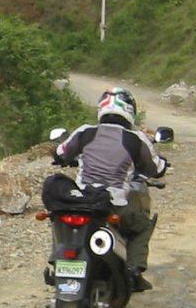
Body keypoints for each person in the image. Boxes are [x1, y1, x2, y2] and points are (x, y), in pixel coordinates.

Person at [53, 87, 169, 292]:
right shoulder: (136, 139)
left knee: (59, 218)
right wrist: (163, 165)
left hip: (82, 201)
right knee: (142, 227)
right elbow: (156, 168)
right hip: (113, 204)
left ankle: (55, 262)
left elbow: (61, 152)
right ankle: (134, 271)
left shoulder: (85, 132)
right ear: (130, 110)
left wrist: (64, 158)